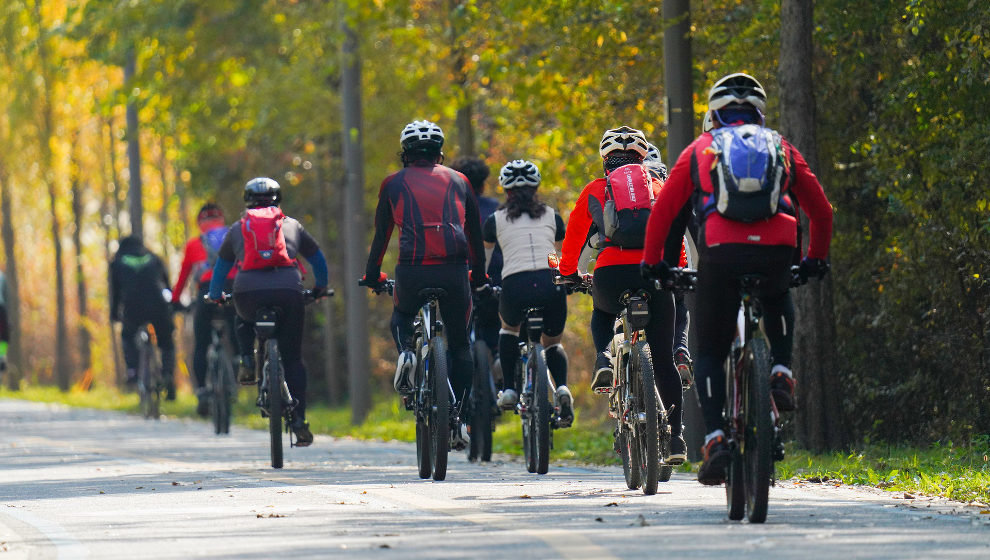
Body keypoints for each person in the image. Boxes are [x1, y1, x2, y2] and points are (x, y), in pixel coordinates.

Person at [640, 72, 833, 485]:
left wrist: (655, 264)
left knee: (709, 349)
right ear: (759, 113)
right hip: (777, 248)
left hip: (721, 252)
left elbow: (666, 212)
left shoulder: (702, 149)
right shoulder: (781, 146)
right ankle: (780, 371)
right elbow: (821, 209)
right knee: (779, 296)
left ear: (714, 112)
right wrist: (815, 258)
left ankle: (714, 439)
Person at [558, 126, 690, 463]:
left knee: (602, 313)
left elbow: (573, 239)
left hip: (610, 272)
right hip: (654, 273)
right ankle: (675, 439)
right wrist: (675, 271)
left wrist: (568, 274)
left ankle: (604, 357)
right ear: (642, 158)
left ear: (605, 159)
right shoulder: (659, 187)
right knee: (662, 360)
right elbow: (676, 237)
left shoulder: (595, 189)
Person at [359, 120, 488, 450]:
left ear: (405, 154)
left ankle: (406, 355)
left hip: (413, 271)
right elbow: (474, 234)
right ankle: (456, 415)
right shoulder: (460, 181)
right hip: (455, 271)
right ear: (440, 153)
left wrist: (372, 275)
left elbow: (382, 236)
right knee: (459, 345)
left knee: (401, 316)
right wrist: (480, 274)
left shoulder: (392, 184)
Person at [208, 177, 330, 447]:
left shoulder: (238, 229)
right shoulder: (291, 225)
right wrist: (320, 287)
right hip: (288, 291)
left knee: (242, 318)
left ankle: (247, 361)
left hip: (247, 292)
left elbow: (220, 268)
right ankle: (298, 419)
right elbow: (318, 259)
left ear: (247, 201)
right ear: (279, 200)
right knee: (293, 359)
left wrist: (216, 296)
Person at [482, 160, 573, 426]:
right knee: (553, 342)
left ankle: (509, 388)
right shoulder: (552, 216)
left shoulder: (494, 220)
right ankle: (563, 388)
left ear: (505, 190)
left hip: (515, 286)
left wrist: (481, 285)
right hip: (550, 283)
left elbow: (484, 266)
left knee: (508, 330)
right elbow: (561, 255)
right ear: (536, 187)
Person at [172, 203, 238, 417]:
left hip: (207, 292)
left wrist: (175, 301)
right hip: (234, 289)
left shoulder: (194, 245)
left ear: (200, 223)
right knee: (238, 332)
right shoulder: (235, 238)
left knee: (202, 343)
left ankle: (201, 391)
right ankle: (240, 367)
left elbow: (183, 277)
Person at [645, 142, 694, 388]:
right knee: (680, 306)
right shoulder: (668, 188)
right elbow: (689, 234)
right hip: (671, 265)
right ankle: (680, 348)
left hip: (630, 267)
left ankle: (617, 361)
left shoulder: (617, 190)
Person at [109, 235, 177, 400]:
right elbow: (166, 285)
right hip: (158, 305)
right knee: (166, 342)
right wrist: (172, 306)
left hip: (132, 308)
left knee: (128, 337)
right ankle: (167, 374)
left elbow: (115, 292)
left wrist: (114, 314)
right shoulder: (153, 257)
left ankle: (133, 371)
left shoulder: (117, 262)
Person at [450, 156, 502, 357]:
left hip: (460, 277)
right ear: (482, 183)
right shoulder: (496, 208)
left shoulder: (451, 208)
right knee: (495, 329)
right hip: (494, 277)